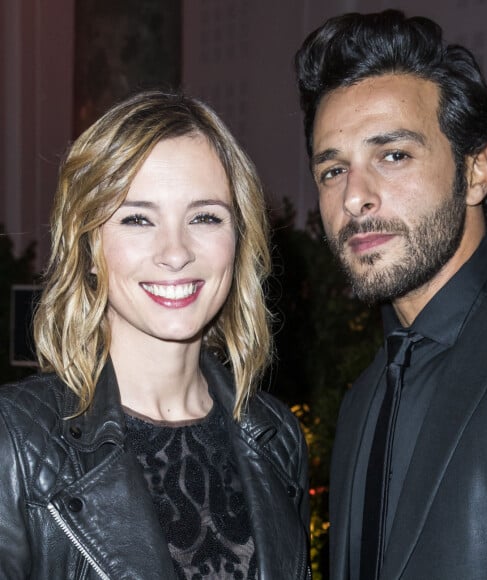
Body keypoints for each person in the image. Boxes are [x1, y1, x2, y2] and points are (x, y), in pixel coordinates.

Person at [295, 9, 487, 580]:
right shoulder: (361, 403)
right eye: (332, 171)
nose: (355, 197)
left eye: (393, 155)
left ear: (475, 171)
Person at [0, 90, 310, 579]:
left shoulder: (277, 436)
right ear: (88, 246)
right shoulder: (14, 441)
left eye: (205, 217)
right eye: (138, 218)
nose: (175, 251)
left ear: (239, 239)